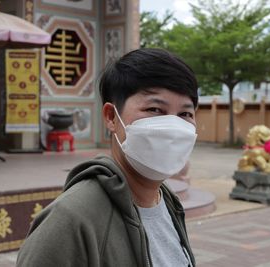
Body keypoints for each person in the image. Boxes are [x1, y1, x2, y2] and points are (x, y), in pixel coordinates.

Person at [17, 48, 198, 267]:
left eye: (185, 114)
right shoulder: (71, 219)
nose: (174, 127)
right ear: (111, 116)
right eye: (155, 109)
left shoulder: (169, 204)